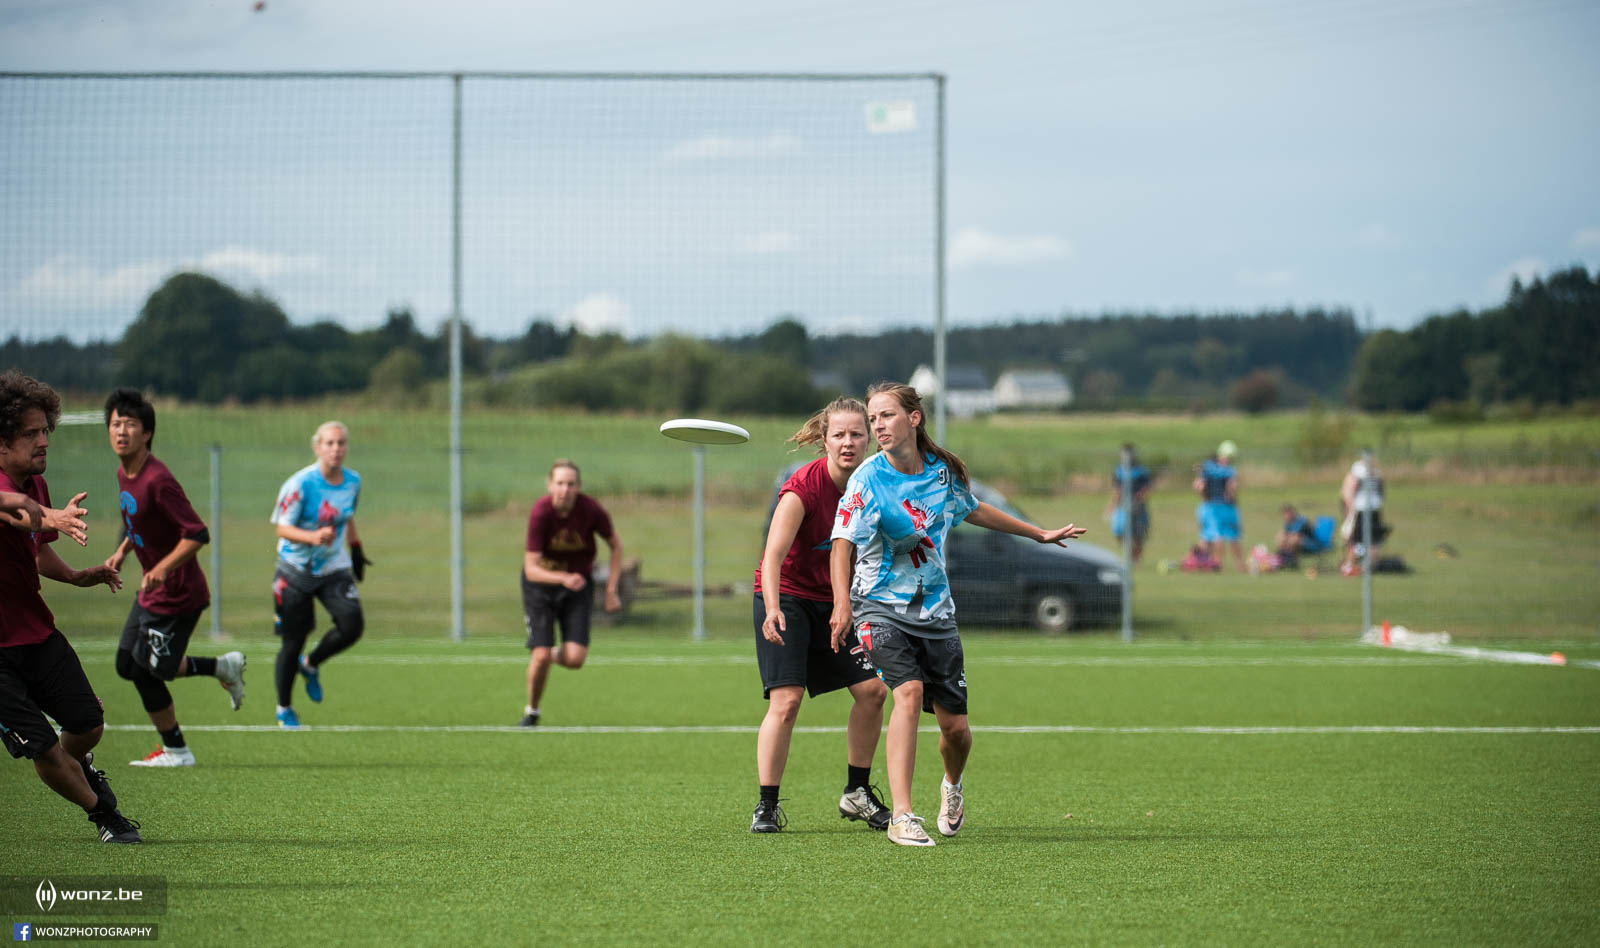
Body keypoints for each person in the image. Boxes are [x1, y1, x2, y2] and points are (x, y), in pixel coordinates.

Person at [829, 382, 1086, 847]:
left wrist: (1038, 534)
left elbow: (974, 509)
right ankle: (902, 816)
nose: (878, 426)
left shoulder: (942, 474)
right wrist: (843, 604)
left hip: (936, 615)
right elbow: (842, 543)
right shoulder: (868, 479)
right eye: (873, 419)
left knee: (957, 731)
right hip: (879, 607)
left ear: (914, 418)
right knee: (905, 693)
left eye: (886, 416)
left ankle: (952, 786)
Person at [0, 370, 142, 843]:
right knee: (43, 748)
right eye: (30, 433)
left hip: (34, 632)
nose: (44, 441)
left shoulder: (33, 483)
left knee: (87, 725)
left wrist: (79, 577)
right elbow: (10, 507)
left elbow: (36, 549)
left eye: (45, 430)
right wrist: (50, 516)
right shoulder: (13, 490)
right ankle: (105, 815)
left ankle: (81, 767)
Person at [751, 397, 889, 834]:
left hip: (837, 602)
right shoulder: (803, 488)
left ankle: (857, 792)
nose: (848, 443)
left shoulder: (876, 481)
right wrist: (772, 609)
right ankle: (767, 805)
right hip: (787, 597)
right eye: (839, 435)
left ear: (868, 437)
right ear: (824, 440)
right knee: (786, 701)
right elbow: (771, 557)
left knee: (872, 692)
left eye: (856, 434)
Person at [103, 388, 245, 766]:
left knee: (148, 672)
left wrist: (163, 568)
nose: (121, 431)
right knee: (127, 665)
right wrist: (122, 551)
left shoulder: (158, 480)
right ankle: (223, 667)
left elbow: (197, 533)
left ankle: (177, 751)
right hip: (153, 592)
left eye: (130, 424)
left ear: (147, 432)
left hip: (179, 595)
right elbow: (134, 518)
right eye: (115, 424)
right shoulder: (124, 471)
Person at [270, 420, 369, 728]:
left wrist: (355, 548)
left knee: (352, 625)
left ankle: (311, 664)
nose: (336, 449)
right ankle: (284, 708)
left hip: (332, 568)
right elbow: (281, 528)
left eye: (341, 443)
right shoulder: (300, 484)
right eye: (329, 443)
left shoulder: (353, 481)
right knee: (293, 641)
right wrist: (312, 537)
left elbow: (347, 516)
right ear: (317, 447)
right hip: (295, 571)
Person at [519, 459, 622, 727]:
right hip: (541, 588)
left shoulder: (591, 510)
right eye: (560, 483)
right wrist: (563, 578)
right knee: (540, 656)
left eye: (571, 484)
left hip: (577, 588)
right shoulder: (541, 512)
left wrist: (611, 589)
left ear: (579, 486)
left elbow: (616, 546)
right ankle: (532, 711)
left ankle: (543, 653)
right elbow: (531, 569)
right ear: (550, 485)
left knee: (575, 659)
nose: (565, 489)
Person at [1193, 440, 1244, 572]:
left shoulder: (1207, 467)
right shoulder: (1229, 471)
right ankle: (1221, 564)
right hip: (1224, 507)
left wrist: (1205, 497)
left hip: (1210, 506)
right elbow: (1232, 488)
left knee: (1210, 536)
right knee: (1226, 537)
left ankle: (1206, 563)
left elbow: (1198, 486)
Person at [1339, 453, 1389, 576]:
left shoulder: (1356, 474)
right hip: (1375, 509)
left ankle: (1351, 566)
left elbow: (1349, 491)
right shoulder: (1377, 474)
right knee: (1373, 541)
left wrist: (1349, 510)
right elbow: (1381, 492)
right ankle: (1368, 568)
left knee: (1353, 539)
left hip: (1361, 510)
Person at [1107, 443, 1152, 563]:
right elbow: (1116, 490)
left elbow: (1147, 487)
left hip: (1138, 506)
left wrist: (1141, 497)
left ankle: (1135, 560)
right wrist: (1111, 506)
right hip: (1122, 506)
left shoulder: (1141, 471)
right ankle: (1130, 554)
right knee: (1119, 531)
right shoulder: (1119, 471)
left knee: (1139, 534)